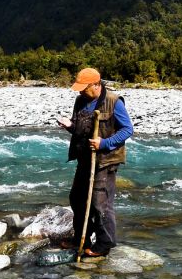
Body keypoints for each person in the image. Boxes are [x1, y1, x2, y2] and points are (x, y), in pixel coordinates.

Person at [57, 67, 134, 257]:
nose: (81, 91)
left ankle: (104, 244)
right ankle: (81, 237)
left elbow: (127, 129)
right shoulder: (80, 101)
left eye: (84, 87)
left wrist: (104, 143)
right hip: (85, 159)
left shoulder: (114, 102)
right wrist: (70, 126)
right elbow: (81, 130)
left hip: (105, 161)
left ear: (97, 84)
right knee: (77, 199)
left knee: (101, 204)